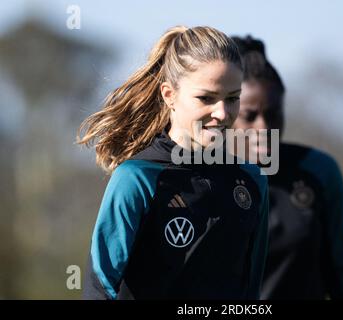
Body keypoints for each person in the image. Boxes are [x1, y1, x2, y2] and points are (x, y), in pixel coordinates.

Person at [76, 26, 269, 300]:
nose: (223, 112)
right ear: (169, 95)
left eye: (232, 99)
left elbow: (251, 293)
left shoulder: (253, 181)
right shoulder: (137, 178)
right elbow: (99, 289)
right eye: (206, 98)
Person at [231, 35, 343, 299]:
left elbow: (341, 271)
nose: (264, 128)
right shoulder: (198, 177)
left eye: (273, 115)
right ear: (227, 114)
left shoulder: (319, 171)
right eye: (250, 116)